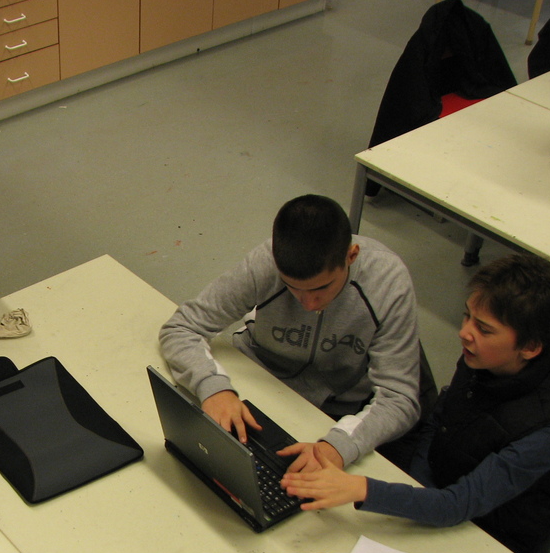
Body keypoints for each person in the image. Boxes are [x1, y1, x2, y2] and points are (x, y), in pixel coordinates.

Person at [281, 254, 550, 553]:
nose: (465, 332)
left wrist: (362, 489)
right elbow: (437, 422)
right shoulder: (483, 359)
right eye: (467, 316)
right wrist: (417, 489)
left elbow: (458, 505)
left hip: (490, 538)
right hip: (439, 498)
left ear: (530, 347)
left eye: (484, 329)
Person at [159, 194, 421, 472]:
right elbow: (182, 327)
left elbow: (399, 397)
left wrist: (339, 447)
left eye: (321, 288)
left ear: (351, 256)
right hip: (253, 384)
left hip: (330, 416)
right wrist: (213, 388)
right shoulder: (266, 262)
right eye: (293, 287)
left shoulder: (388, 282)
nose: (308, 304)